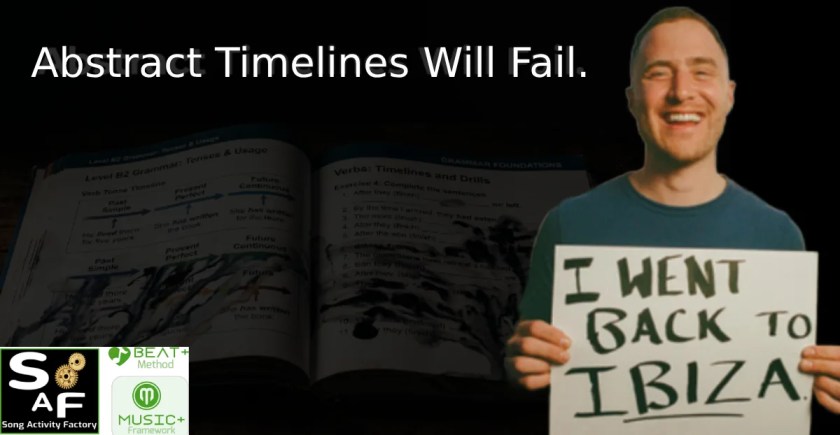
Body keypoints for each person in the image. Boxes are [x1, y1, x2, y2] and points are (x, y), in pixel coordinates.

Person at [503, 6, 840, 415]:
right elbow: (527, 375)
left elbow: (784, 388)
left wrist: (827, 381)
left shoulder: (779, 235)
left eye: (702, 71)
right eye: (658, 73)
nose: (681, 91)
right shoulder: (567, 224)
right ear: (632, 100)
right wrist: (521, 364)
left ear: (730, 94)